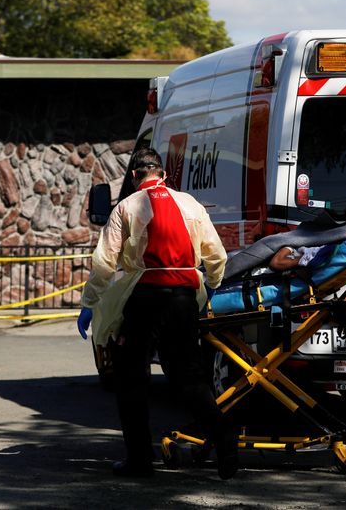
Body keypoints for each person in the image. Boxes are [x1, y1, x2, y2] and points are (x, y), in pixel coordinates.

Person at [76, 147, 237, 479]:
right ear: (163, 174)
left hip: (145, 296)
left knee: (131, 377)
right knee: (188, 377)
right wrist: (214, 287)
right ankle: (224, 439)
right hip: (183, 297)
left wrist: (89, 304)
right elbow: (216, 255)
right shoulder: (191, 204)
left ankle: (140, 460)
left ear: (135, 176)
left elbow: (105, 263)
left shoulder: (127, 207)